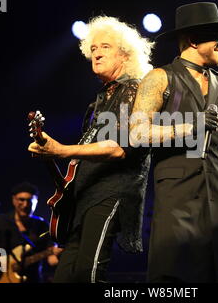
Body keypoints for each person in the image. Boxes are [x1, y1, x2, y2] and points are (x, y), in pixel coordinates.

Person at [129, 2, 218, 282]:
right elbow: (137, 133)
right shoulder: (159, 78)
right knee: (177, 278)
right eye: (216, 37)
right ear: (194, 39)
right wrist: (190, 125)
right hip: (178, 201)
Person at [28, 16, 153, 283]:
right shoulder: (98, 101)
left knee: (89, 272)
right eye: (93, 48)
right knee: (64, 276)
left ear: (124, 54)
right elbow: (83, 153)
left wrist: (61, 150)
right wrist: (48, 150)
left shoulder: (134, 91)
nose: (96, 53)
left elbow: (120, 148)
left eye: (105, 47)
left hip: (112, 191)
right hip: (83, 195)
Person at [0, 181, 60, 283]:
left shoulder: (42, 225)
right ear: (13, 200)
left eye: (30, 201)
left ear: (36, 202)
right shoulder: (1, 221)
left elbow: (51, 257)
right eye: (21, 200)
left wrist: (58, 255)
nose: (26, 205)